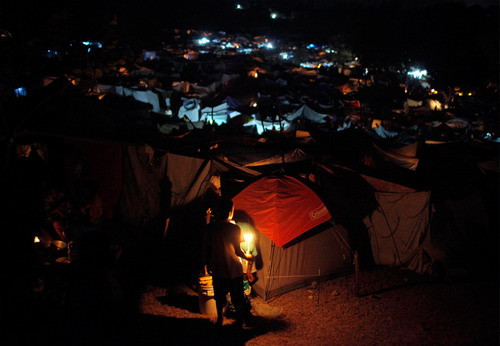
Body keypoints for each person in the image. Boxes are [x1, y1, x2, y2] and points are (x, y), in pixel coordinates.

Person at [205, 198, 253, 327]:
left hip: (218, 266)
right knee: (237, 296)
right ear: (229, 212)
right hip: (233, 268)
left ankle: (220, 319)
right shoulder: (234, 229)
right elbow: (238, 251)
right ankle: (240, 320)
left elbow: (208, 249)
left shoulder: (210, 228)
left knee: (219, 294)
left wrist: (207, 264)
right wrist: (248, 257)